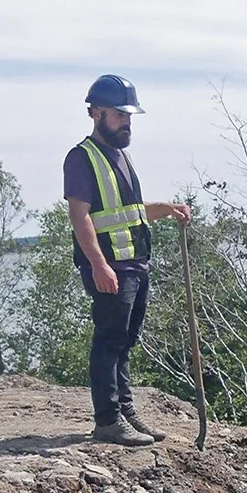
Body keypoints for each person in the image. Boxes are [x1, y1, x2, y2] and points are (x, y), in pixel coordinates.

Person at [64, 74, 191, 446]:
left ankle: (125, 411)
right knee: (109, 341)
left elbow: (129, 211)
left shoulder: (121, 156)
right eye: (120, 115)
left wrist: (166, 209)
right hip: (112, 268)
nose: (127, 121)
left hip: (135, 264)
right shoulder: (81, 158)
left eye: (129, 115)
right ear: (96, 113)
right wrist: (99, 265)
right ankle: (107, 421)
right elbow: (80, 216)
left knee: (125, 341)